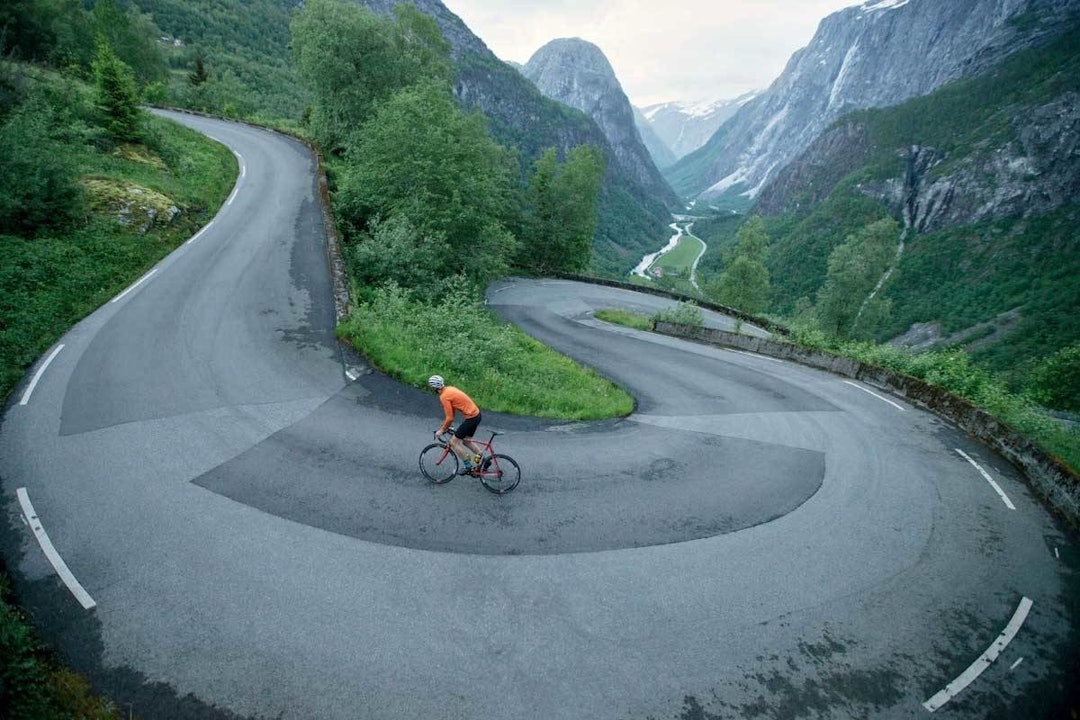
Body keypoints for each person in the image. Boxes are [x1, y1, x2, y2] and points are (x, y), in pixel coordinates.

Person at [429, 375, 484, 475]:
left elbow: (450, 418)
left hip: (471, 418)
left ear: (434, 388)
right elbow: (451, 413)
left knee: (453, 442)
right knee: (466, 441)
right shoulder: (449, 389)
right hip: (477, 415)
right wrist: (444, 426)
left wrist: (441, 431)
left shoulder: (444, 397)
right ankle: (484, 459)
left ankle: (468, 467)